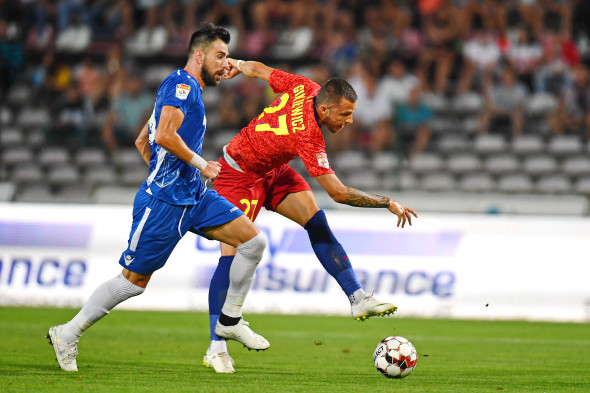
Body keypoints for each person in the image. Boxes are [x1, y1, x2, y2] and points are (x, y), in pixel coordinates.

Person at [47, 23, 269, 373]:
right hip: (164, 203)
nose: (225, 63)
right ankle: (67, 333)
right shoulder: (181, 86)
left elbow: (143, 141)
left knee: (253, 243)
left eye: (228, 56)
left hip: (193, 197)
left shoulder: (186, 87)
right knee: (133, 282)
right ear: (199, 55)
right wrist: (197, 165)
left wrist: (177, 173)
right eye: (220, 56)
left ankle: (230, 321)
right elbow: (163, 134)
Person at [201, 58, 418, 373]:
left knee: (316, 224)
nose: (350, 121)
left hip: (273, 170)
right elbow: (339, 193)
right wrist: (386, 202)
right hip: (237, 176)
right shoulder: (309, 134)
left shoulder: (306, 87)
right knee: (231, 257)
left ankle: (357, 297)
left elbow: (261, 71)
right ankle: (216, 346)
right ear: (326, 110)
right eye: (346, 114)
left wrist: (237, 63)